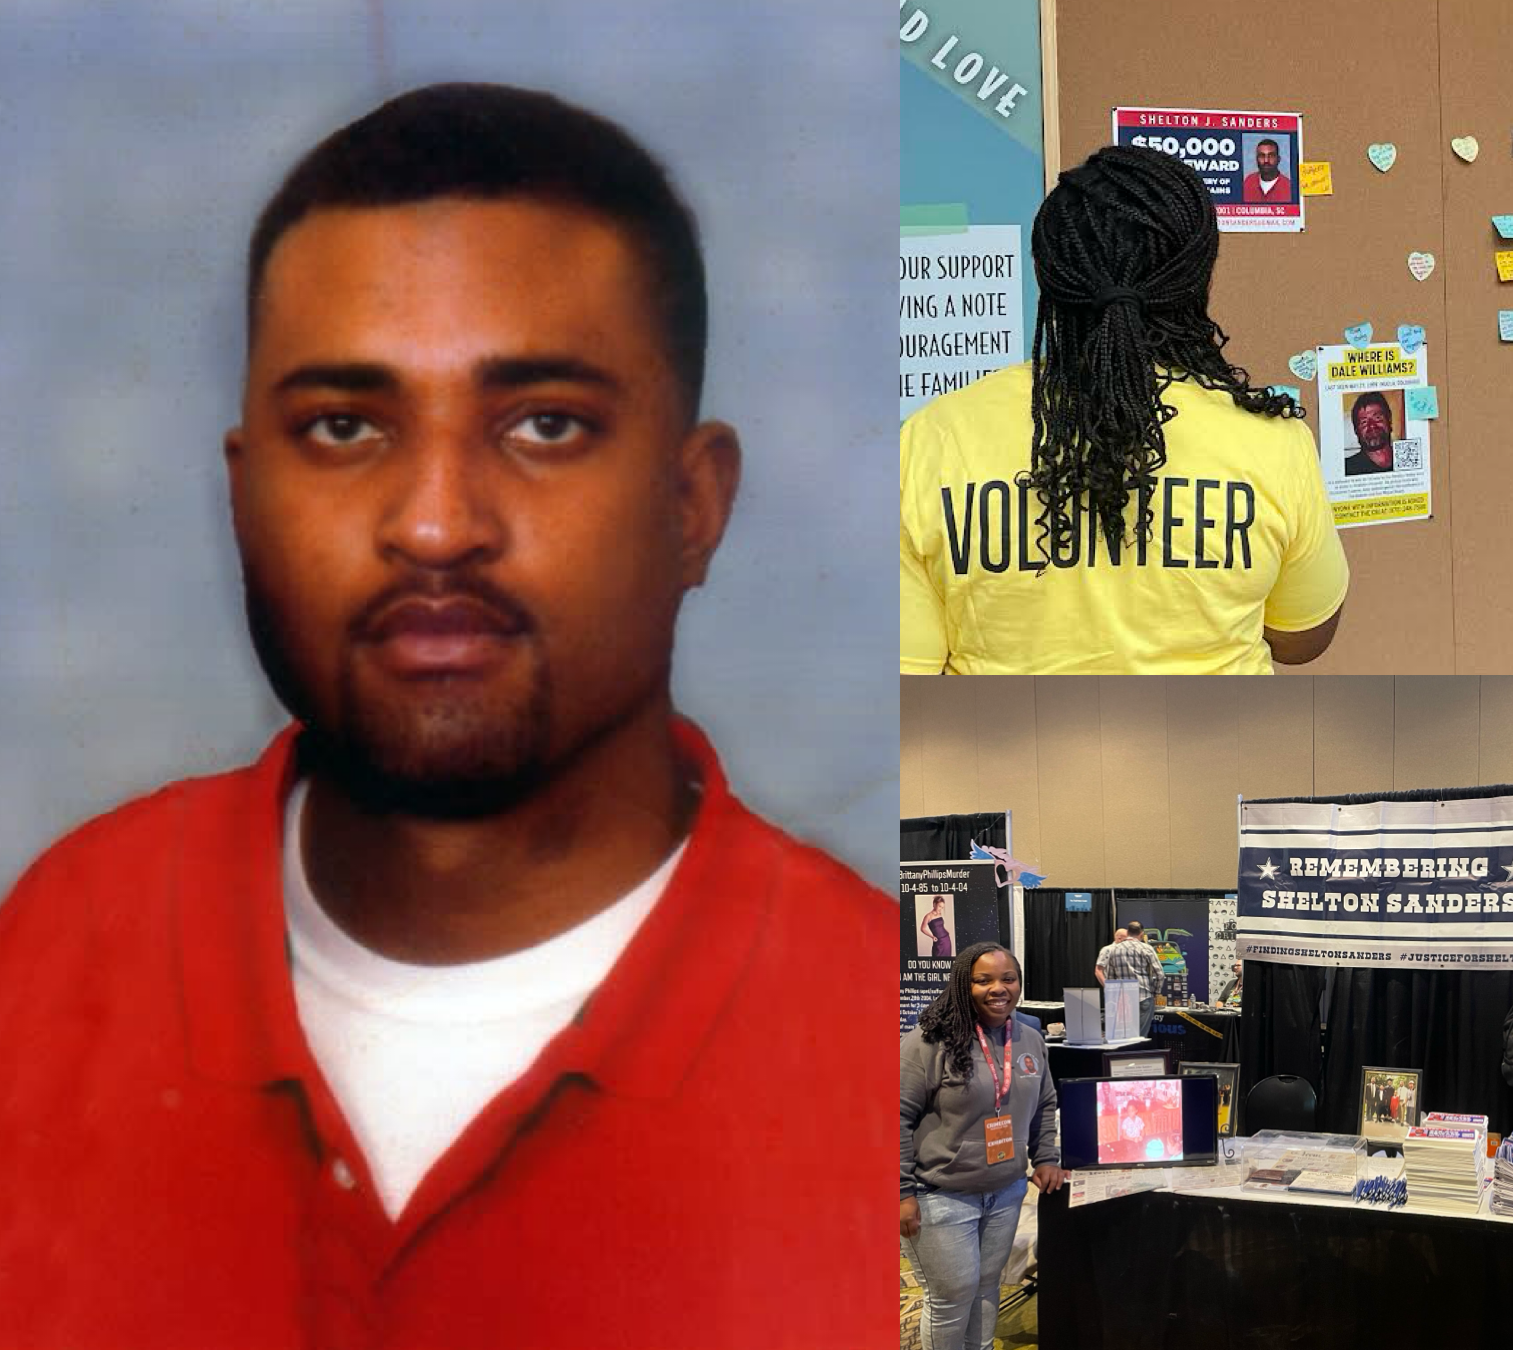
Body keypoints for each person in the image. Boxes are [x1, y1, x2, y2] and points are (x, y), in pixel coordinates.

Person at [0, 84, 891, 1349]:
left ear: (694, 505)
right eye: (346, 425)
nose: (432, 522)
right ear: (246, 499)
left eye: (542, 424)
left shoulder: (860, 1016)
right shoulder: (57, 946)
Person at [900, 144, 1349, 675]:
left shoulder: (931, 439)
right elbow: (1302, 638)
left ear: (1049, 274)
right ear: (1198, 278)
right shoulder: (1272, 441)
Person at [902, 942, 1067, 1350]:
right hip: (940, 1195)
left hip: (1006, 1190)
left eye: (1008, 978)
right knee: (952, 1297)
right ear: (963, 985)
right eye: (984, 980)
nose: (999, 988)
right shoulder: (927, 1042)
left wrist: (1046, 1157)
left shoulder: (1029, 1039)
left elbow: (1045, 1103)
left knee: (986, 1288)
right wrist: (900, 1191)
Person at [1099, 920, 1165, 1035]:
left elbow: (1110, 979)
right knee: (1140, 1037)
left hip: (1122, 1000)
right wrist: (1155, 992)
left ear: (1128, 932)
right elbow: (1160, 974)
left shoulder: (1114, 950)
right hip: (1143, 997)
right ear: (1141, 934)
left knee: (1124, 1037)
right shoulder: (1146, 948)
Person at [1344, 392, 1397, 476]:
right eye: (1364, 422)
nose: (1371, 425)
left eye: (1377, 418)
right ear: (1356, 430)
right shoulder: (1346, 469)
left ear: (1389, 420)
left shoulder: (1406, 460)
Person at [1242, 138, 1293, 203]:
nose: (1266, 160)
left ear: (1278, 159)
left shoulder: (1289, 187)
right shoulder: (1248, 182)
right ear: (1256, 159)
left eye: (1271, 156)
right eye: (1262, 156)